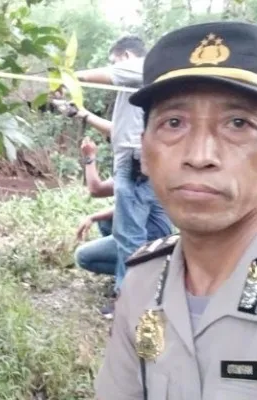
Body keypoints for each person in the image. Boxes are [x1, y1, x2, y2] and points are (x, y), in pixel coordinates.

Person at [94, 21, 257, 399]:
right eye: (173, 123)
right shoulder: (143, 282)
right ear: (144, 151)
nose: (199, 156)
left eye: (237, 123)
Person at [56, 36, 173, 316]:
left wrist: (69, 78)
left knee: (129, 237)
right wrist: (82, 114)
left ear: (126, 55)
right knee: (126, 230)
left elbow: (108, 75)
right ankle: (149, 285)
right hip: (141, 165)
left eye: (114, 61)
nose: (114, 67)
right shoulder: (137, 96)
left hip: (135, 166)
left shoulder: (142, 67)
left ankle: (129, 304)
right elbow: (118, 131)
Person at [74, 137, 172, 290]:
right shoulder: (130, 169)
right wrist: (89, 157)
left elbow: (132, 207)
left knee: (83, 256)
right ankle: (130, 271)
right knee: (105, 221)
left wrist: (89, 156)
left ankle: (143, 276)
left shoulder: (149, 174)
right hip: (143, 229)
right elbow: (97, 190)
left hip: (151, 238)